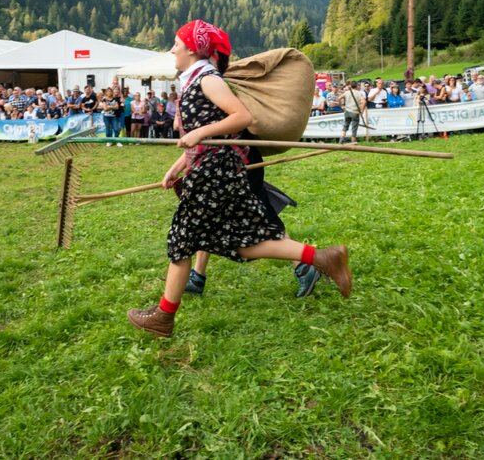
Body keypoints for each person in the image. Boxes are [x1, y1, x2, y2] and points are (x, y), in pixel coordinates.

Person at [127, 20, 351, 338]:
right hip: (209, 171)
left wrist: (201, 133)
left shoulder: (208, 79)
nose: (172, 49)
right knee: (242, 245)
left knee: (181, 242)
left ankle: (164, 317)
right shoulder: (194, 80)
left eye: (176, 43)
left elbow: (242, 118)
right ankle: (323, 258)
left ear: (193, 48)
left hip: (214, 177)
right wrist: (178, 165)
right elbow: (202, 137)